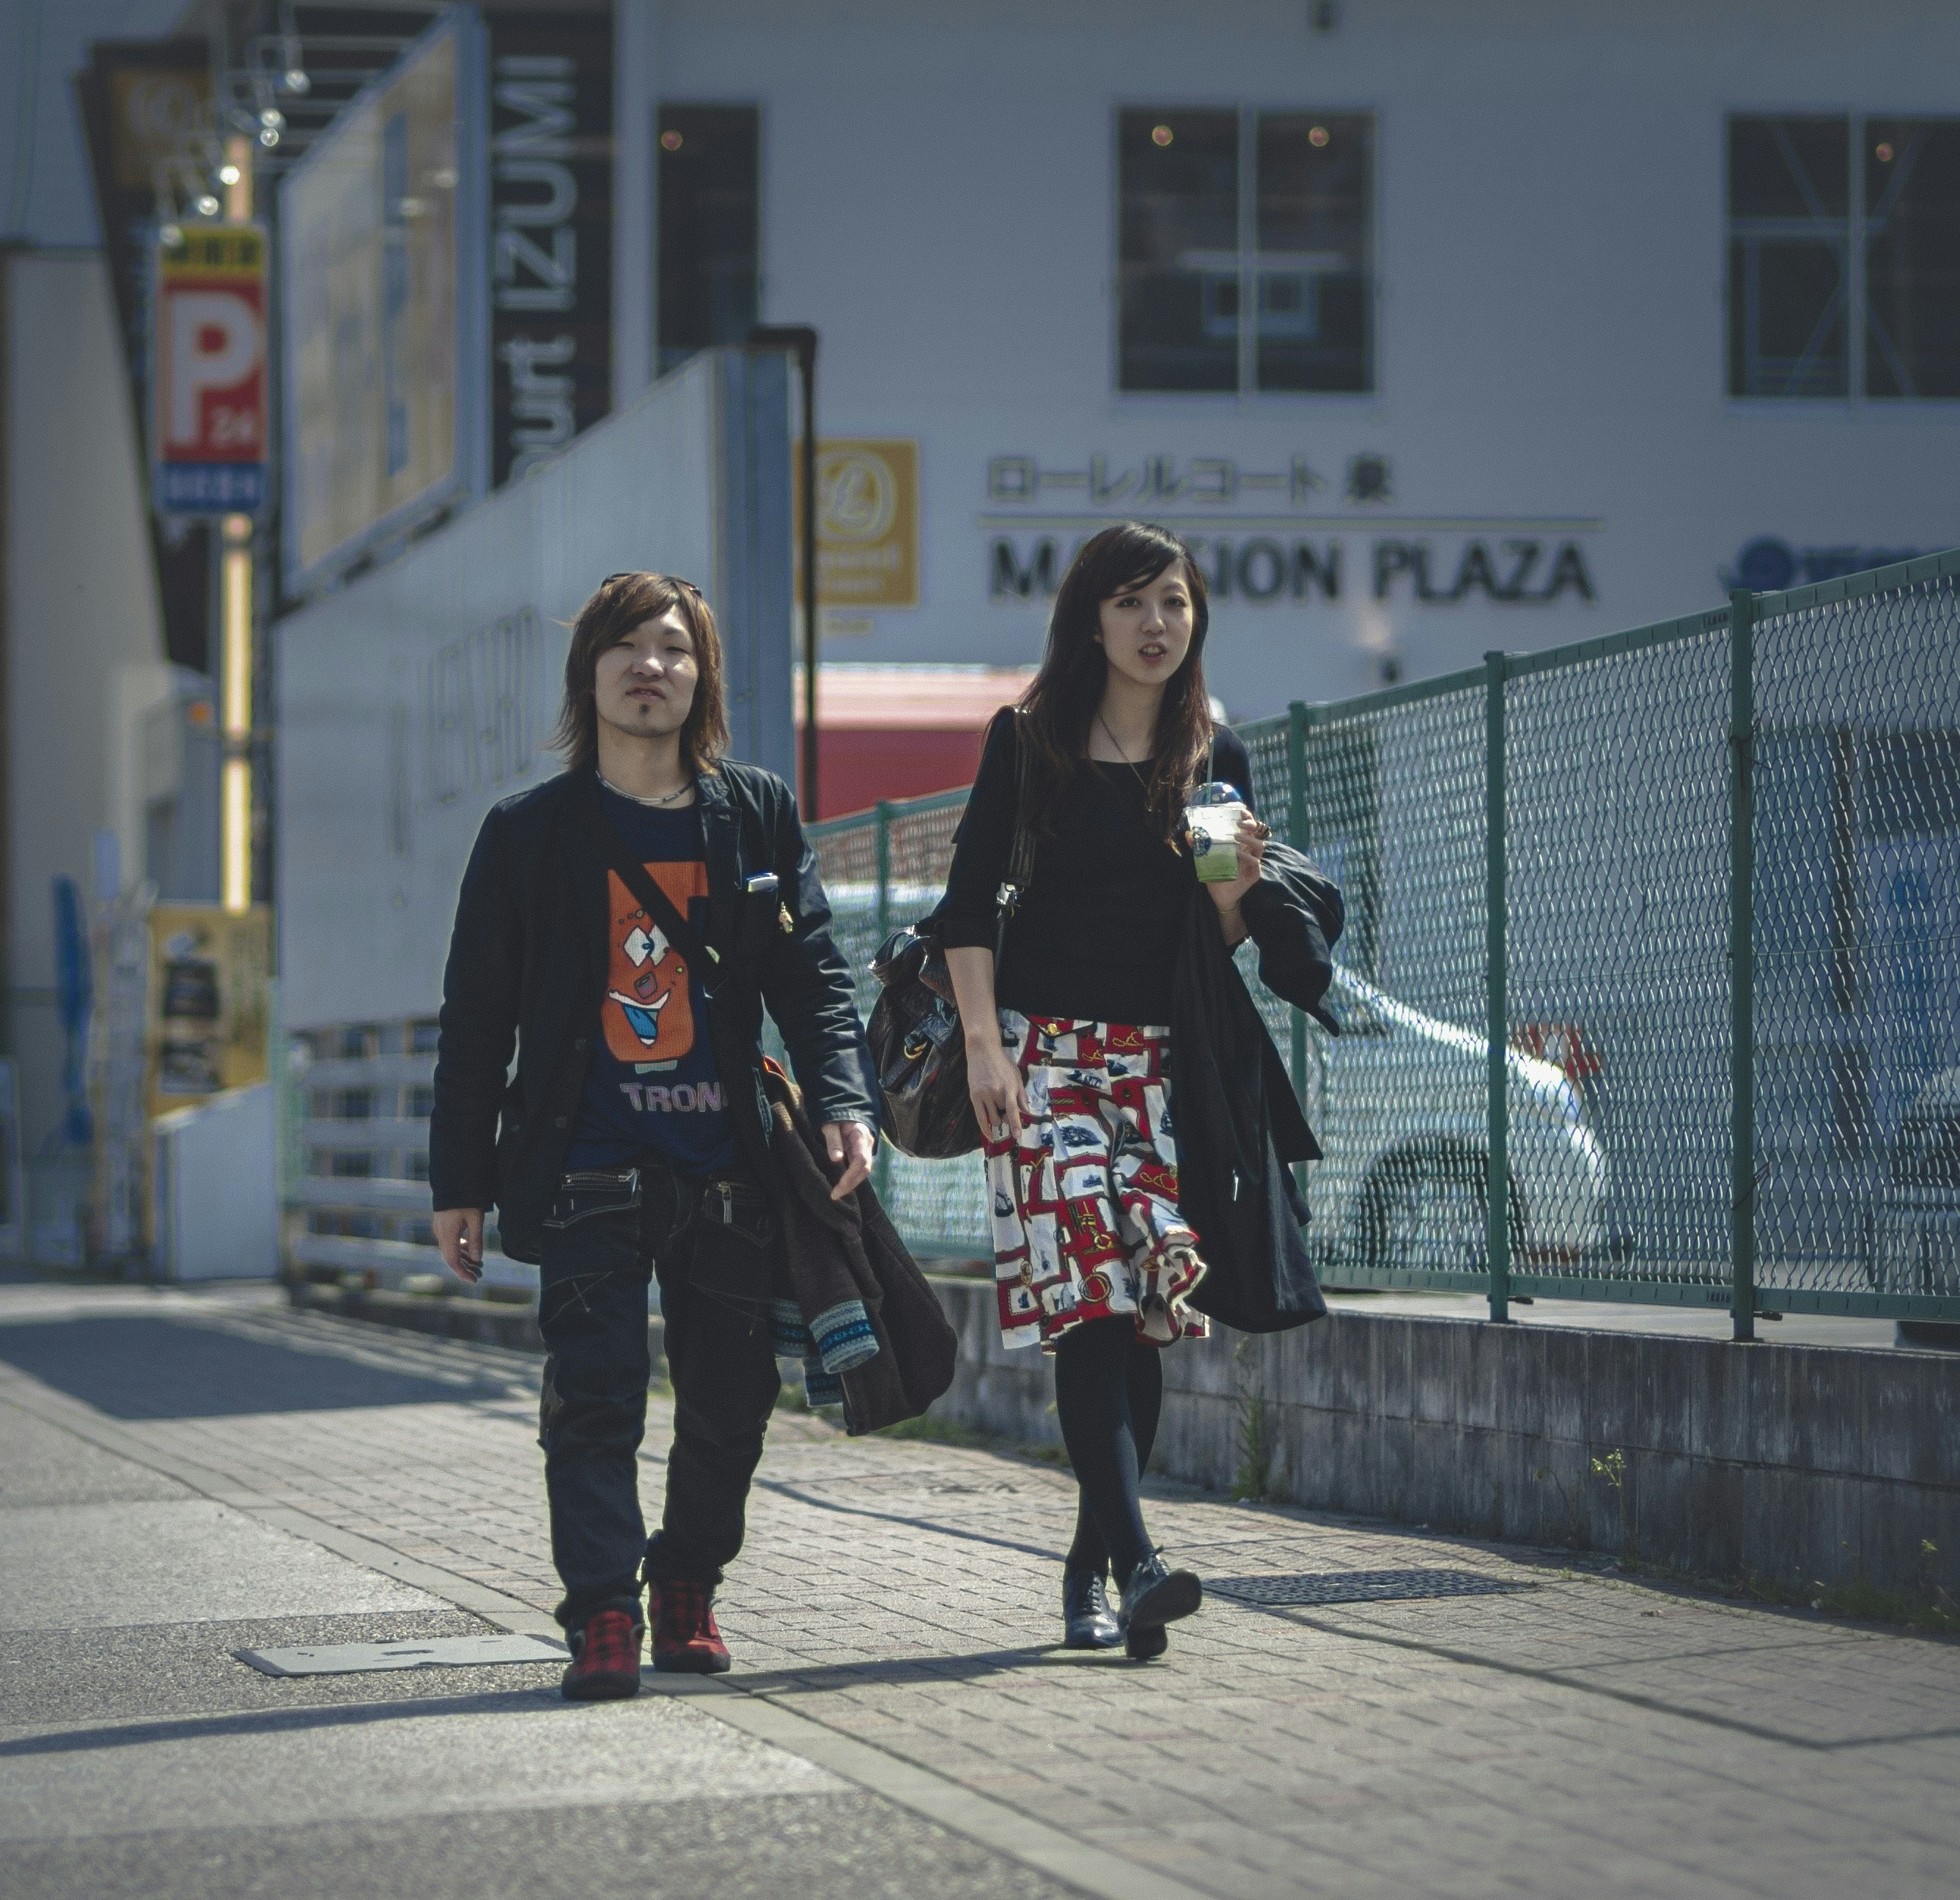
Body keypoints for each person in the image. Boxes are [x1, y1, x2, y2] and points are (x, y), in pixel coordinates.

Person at [430, 571, 876, 1701]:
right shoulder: (529, 834)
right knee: (597, 1397)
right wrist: (459, 1180)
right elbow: (476, 1018)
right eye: (626, 646)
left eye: (674, 649)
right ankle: (601, 1617)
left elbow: (813, 973)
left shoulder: (755, 812)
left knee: (732, 1404)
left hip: (725, 1170)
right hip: (586, 1171)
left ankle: (687, 1585)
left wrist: (844, 1097)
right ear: (590, 675)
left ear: (702, 676)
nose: (651, 666)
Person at [932, 520, 1329, 1661]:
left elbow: (1222, 931)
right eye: (1131, 603)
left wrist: (1235, 891)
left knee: (1151, 1313)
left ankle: (1092, 1569)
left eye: (1174, 603)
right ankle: (1144, 1561)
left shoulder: (1214, 754)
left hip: (1161, 1063)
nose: (1155, 625)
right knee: (1092, 1308)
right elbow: (968, 908)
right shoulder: (1030, 741)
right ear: (1089, 619)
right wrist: (982, 1048)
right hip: (1043, 1056)